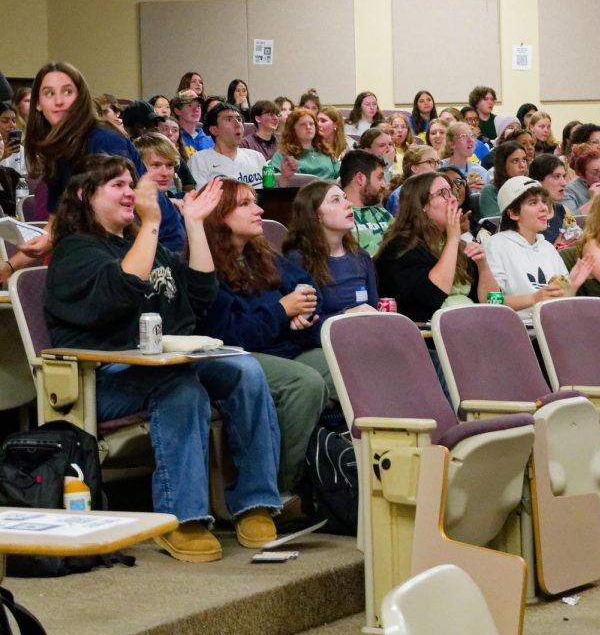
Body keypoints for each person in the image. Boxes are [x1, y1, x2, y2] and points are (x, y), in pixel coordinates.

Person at [47, 156, 280, 561]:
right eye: (117, 185)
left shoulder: (143, 245)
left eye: (130, 184)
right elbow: (123, 289)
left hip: (166, 366)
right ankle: (181, 517)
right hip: (99, 379)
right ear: (85, 195)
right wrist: (152, 223)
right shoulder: (76, 251)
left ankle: (254, 502)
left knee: (245, 371)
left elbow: (202, 294)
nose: (129, 193)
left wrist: (192, 223)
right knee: (180, 388)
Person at [199, 179, 329, 497]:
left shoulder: (260, 254)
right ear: (219, 215)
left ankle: (336, 468)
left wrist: (304, 307)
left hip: (284, 346)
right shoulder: (205, 266)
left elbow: (307, 285)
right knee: (306, 384)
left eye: (255, 201)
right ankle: (284, 487)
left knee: (346, 365)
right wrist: (283, 310)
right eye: (245, 204)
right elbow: (229, 336)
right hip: (238, 358)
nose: (259, 210)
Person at [24, 61, 184, 251]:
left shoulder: (105, 140)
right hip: (104, 244)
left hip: (155, 243)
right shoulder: (58, 149)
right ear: (38, 105)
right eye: (49, 93)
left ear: (80, 99)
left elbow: (120, 216)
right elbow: (55, 220)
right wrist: (9, 266)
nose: (59, 101)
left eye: (67, 92)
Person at [375, 172, 500, 321]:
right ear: (421, 205)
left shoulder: (457, 245)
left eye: (452, 192)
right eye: (443, 193)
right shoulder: (400, 248)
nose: (453, 199)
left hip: (470, 325)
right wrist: (453, 240)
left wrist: (483, 265)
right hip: (430, 335)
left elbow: (492, 302)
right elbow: (432, 296)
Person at [483, 176, 595, 321]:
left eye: (543, 201)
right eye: (533, 203)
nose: (544, 208)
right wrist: (535, 298)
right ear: (513, 213)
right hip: (518, 331)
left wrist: (572, 285)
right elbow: (491, 301)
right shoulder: (495, 245)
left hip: (552, 326)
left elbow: (559, 304)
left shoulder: (547, 248)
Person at [283, 179, 379, 321]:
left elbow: (374, 308)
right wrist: (346, 316)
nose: (348, 204)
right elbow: (304, 326)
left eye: (345, 198)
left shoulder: (361, 256)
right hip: (321, 342)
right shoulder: (299, 260)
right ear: (316, 215)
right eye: (335, 200)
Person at [188, 103, 266, 188]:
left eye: (239, 119)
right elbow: (201, 198)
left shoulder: (257, 157)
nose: (237, 124)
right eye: (229, 119)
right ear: (214, 130)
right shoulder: (199, 161)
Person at [339, 149, 393, 256]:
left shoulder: (383, 214)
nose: (383, 185)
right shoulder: (336, 216)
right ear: (360, 178)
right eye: (380, 178)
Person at [268, 107, 340, 180]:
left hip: (331, 189)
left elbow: (342, 177)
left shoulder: (325, 151)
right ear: (292, 129)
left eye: (311, 124)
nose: (308, 127)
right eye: (302, 124)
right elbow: (272, 184)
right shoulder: (283, 155)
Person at [529, 152, 580, 248]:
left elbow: (575, 239)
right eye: (557, 176)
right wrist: (555, 249)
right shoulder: (529, 216)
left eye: (563, 176)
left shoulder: (564, 211)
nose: (564, 183)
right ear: (538, 180)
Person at [479, 140, 530, 219]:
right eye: (515, 161)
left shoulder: (531, 187)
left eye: (524, 160)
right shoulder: (490, 191)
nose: (522, 165)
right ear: (502, 165)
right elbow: (498, 224)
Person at [385, 144, 440, 215]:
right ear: (414, 168)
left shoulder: (435, 190)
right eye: (430, 162)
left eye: (438, 162)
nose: (437, 167)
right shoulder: (400, 196)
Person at [563, 143, 600, 215]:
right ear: (581, 175)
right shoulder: (568, 191)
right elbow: (570, 221)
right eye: (595, 172)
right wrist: (594, 200)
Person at [440, 122, 487, 192]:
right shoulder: (439, 168)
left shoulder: (481, 171)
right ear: (452, 144)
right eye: (464, 136)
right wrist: (463, 191)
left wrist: (485, 191)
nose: (470, 140)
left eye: (472, 135)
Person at [157, 115, 197, 195]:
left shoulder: (180, 160)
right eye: (165, 129)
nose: (170, 133)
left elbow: (190, 187)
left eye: (175, 130)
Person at [171, 90, 212, 160]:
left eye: (198, 106)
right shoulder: (172, 138)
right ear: (177, 111)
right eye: (190, 105)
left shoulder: (210, 140)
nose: (196, 109)